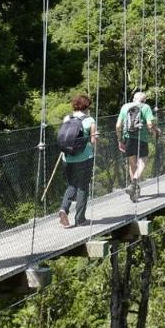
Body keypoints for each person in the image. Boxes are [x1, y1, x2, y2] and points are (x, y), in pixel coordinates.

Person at [58, 93, 98, 228]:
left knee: (71, 185)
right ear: (86, 106)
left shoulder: (66, 118)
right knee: (82, 187)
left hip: (67, 158)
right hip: (84, 158)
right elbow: (93, 142)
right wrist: (95, 137)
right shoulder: (90, 120)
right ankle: (80, 219)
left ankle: (64, 209)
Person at [117, 90, 158, 201]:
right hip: (141, 138)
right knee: (143, 160)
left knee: (132, 163)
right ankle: (134, 182)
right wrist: (156, 131)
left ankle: (134, 190)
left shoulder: (125, 107)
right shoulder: (145, 107)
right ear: (144, 100)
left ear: (134, 99)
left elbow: (118, 126)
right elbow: (150, 124)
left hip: (127, 138)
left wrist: (120, 140)